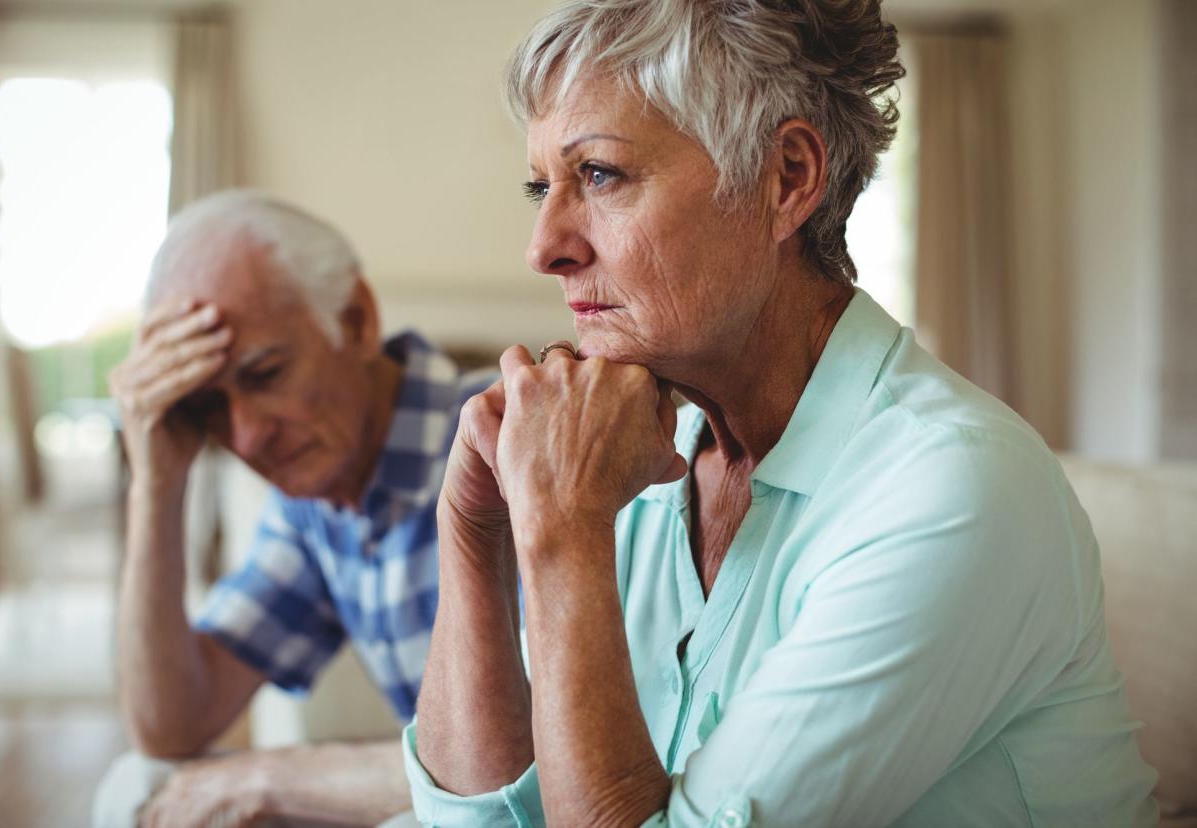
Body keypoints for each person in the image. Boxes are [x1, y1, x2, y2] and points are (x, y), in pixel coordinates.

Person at [405, 1, 1160, 825]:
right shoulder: (639, 457)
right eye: (540, 186)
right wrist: (472, 527)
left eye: (600, 175)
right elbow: (485, 821)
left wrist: (559, 528)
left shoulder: (955, 486)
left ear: (787, 179)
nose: (544, 244)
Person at [97, 191, 493, 827]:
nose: (246, 438)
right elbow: (168, 726)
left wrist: (258, 779)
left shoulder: (504, 438)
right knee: (140, 782)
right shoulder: (316, 498)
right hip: (458, 799)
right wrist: (158, 486)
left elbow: (526, 762)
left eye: (265, 373)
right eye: (207, 409)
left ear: (357, 319)